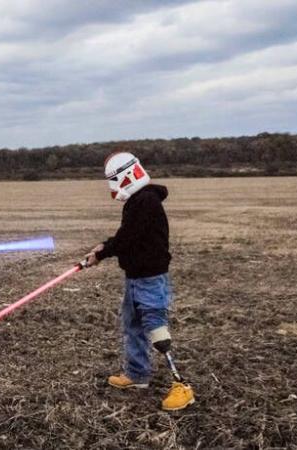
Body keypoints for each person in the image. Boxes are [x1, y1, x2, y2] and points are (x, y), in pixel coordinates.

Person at [84, 152, 195, 411]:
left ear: (124, 177)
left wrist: (102, 252)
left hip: (150, 278)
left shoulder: (145, 201)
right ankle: (137, 375)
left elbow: (128, 237)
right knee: (132, 325)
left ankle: (183, 386)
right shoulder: (137, 201)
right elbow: (127, 237)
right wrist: (104, 248)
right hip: (135, 277)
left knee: (156, 329)